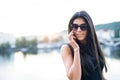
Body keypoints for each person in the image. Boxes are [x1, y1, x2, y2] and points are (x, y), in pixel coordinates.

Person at [61, 10, 107, 80]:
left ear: (89, 28)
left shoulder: (94, 46)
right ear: (71, 28)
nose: (79, 30)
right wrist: (76, 49)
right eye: (75, 26)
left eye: (83, 26)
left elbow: (99, 75)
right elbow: (75, 78)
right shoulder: (67, 48)